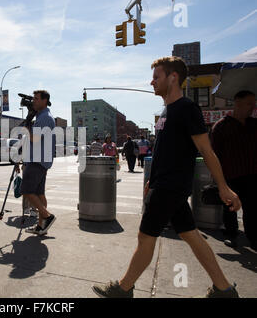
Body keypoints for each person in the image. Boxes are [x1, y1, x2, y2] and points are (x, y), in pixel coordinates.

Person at [92, 56, 242, 298]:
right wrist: (151, 179)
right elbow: (163, 149)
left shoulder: (187, 109)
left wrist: (223, 187)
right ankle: (223, 289)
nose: (152, 82)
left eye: (156, 77)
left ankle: (123, 288)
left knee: (145, 236)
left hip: (171, 187)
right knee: (190, 235)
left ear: (173, 78)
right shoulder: (167, 110)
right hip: (165, 184)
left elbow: (207, 151)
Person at [211, 90, 257, 251]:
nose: (253, 107)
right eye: (249, 103)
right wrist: (218, 179)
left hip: (252, 174)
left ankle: (253, 237)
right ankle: (231, 235)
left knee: (252, 207)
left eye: (254, 103)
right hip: (230, 175)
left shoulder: (254, 125)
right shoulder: (221, 126)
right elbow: (214, 154)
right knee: (230, 207)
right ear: (238, 104)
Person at [18, 90, 56, 236]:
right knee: (39, 194)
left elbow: (34, 138)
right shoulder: (42, 116)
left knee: (26, 190)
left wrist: (26, 127)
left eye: (36, 98)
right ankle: (41, 226)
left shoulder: (45, 117)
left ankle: (47, 216)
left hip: (37, 160)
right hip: (39, 159)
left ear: (44, 101)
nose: (33, 101)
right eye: (33, 98)